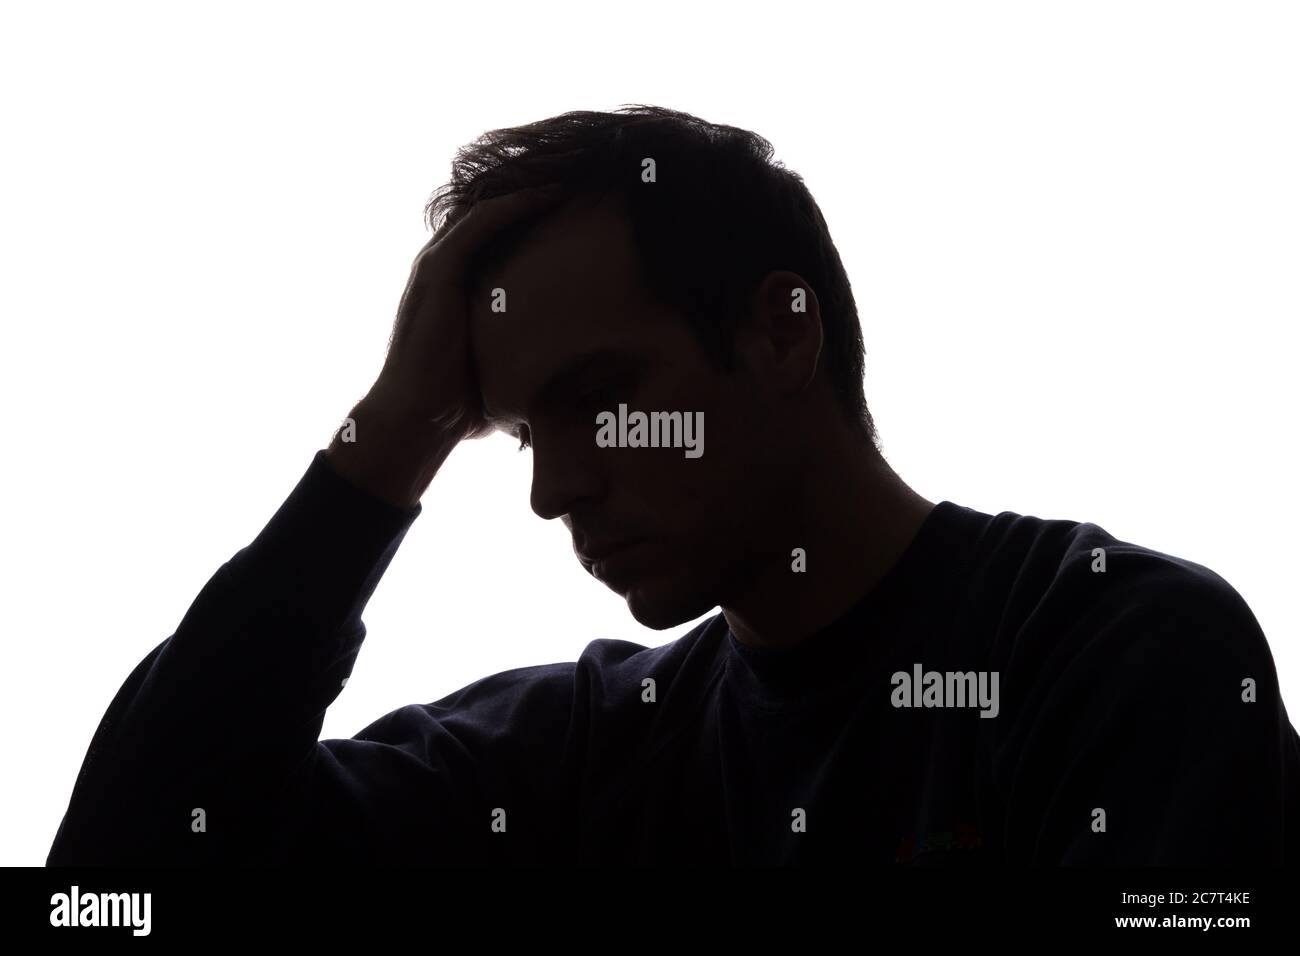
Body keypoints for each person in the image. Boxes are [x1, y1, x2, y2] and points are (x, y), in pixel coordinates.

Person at [48, 106, 1300, 865]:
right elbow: (129, 876)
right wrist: (389, 441)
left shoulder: (1110, 652)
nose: (550, 491)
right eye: (521, 431)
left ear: (782, 332)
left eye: (599, 398)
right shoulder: (579, 755)